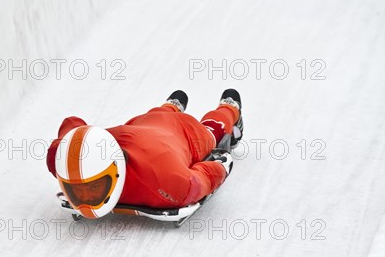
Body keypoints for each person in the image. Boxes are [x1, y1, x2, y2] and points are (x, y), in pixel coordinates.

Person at [46, 89, 243, 219]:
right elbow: (71, 126)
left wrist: (220, 166)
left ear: (116, 171)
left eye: (94, 187)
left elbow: (203, 178)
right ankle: (170, 107)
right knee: (155, 115)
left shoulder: (170, 184)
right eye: (77, 191)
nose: (86, 198)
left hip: (184, 133)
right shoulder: (60, 157)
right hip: (142, 124)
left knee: (212, 131)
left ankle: (229, 108)